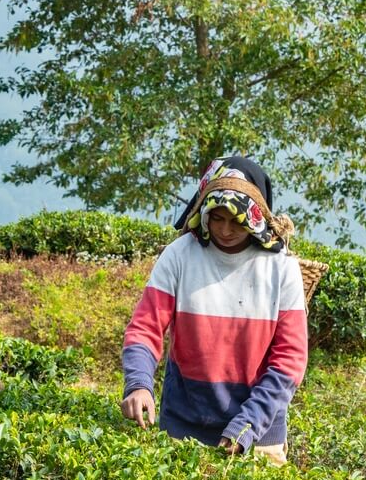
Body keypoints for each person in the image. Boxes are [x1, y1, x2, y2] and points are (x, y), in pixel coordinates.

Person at [120, 157, 308, 461]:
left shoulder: (281, 267)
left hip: (259, 436)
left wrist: (247, 425)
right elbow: (145, 328)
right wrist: (139, 384)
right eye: (217, 218)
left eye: (237, 220)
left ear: (255, 216)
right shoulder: (179, 256)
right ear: (204, 214)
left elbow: (290, 359)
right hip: (184, 426)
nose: (225, 229)